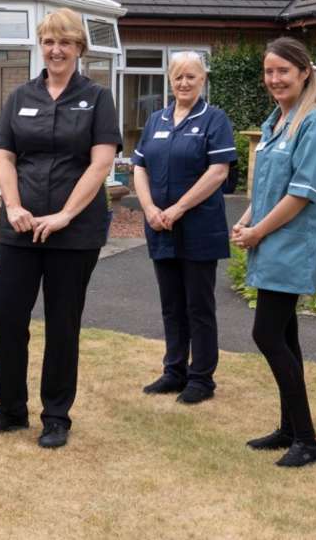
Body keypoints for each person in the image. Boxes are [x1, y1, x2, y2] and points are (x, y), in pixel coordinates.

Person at [0, 8, 121, 449]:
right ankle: (11, 410)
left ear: (79, 49)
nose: (56, 50)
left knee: (62, 323)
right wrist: (13, 205)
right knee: (5, 317)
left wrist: (66, 215)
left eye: (65, 42)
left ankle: (56, 416)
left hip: (74, 233)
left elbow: (101, 162)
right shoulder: (20, 96)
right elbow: (5, 156)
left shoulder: (97, 98)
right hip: (20, 227)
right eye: (49, 41)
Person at [231, 36, 316, 468]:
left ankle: (309, 440)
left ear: (304, 72)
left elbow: (302, 193)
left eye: (283, 71)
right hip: (272, 239)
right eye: (269, 71)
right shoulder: (278, 119)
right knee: (286, 337)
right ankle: (291, 427)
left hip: (291, 245)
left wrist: (257, 232)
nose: (274, 79)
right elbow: (269, 186)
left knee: (267, 334)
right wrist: (248, 219)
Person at [132, 51, 236, 404]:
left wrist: (177, 209)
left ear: (202, 79)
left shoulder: (214, 119)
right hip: (160, 227)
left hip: (198, 228)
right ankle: (174, 371)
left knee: (198, 305)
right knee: (171, 304)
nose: (184, 83)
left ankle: (201, 378)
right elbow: (139, 167)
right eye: (178, 76)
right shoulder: (156, 119)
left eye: (191, 76)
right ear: (169, 80)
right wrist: (148, 208)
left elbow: (218, 172)